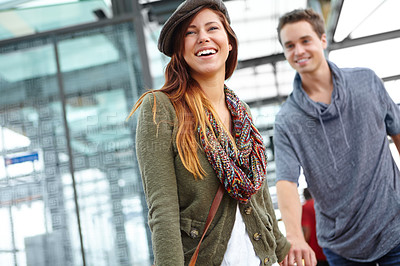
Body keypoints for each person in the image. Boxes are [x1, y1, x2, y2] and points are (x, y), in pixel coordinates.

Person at [127, 0, 290, 265]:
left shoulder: (241, 110)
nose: (203, 38)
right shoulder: (160, 108)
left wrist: (283, 250)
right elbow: (162, 209)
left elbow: (257, 192)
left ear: (229, 43)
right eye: (191, 32)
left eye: (212, 28)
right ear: (180, 50)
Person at [273, 8, 400, 266]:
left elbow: (397, 132)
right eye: (289, 45)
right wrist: (294, 236)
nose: (298, 51)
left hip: (394, 229)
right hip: (341, 248)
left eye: (305, 41)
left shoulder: (366, 82)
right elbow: (286, 182)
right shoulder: (287, 119)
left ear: (322, 40)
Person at [301, 188, 328, 266]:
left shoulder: (305, 207)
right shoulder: (321, 204)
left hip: (315, 253)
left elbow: (307, 231)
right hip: (329, 248)